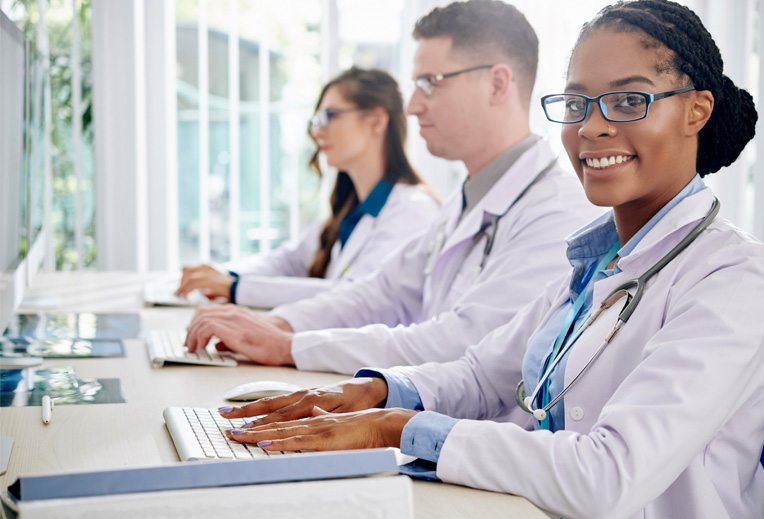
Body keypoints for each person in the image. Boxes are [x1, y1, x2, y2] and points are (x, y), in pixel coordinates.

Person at [217, 1, 764, 519]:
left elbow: (608, 479)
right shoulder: (598, 263)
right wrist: (375, 393)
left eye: (629, 101)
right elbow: (483, 374)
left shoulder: (735, 279)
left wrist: (398, 426)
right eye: (577, 104)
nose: (592, 128)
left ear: (697, 111)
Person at [184, 0, 600, 373]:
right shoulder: (467, 201)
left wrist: (291, 345)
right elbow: (375, 293)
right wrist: (276, 325)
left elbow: (462, 343)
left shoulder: (557, 214)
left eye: (431, 82)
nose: (413, 106)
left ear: (496, 83)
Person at [175, 67, 440, 309]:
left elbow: (354, 296)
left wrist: (236, 288)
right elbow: (289, 261)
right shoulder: (352, 210)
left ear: (376, 121)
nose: (317, 132)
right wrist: (224, 275)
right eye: (317, 120)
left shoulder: (411, 211)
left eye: (330, 116)